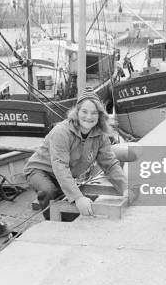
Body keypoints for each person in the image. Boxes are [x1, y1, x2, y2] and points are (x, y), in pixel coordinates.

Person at [23, 87, 127, 219]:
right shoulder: (61, 132)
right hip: (40, 170)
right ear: (77, 112)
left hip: (63, 174)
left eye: (94, 113)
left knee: (70, 208)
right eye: (84, 111)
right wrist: (78, 197)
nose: (89, 117)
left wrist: (125, 187)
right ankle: (52, 225)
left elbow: (110, 164)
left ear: (100, 115)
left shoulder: (101, 136)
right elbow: (60, 166)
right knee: (48, 191)